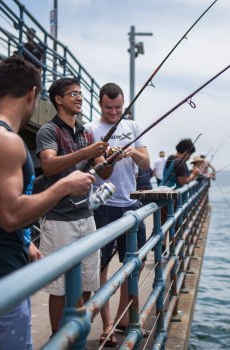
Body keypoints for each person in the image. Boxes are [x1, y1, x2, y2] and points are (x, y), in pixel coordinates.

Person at [0, 57, 96, 350]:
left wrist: (24, 242)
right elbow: (9, 215)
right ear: (33, 94)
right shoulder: (6, 141)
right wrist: (62, 187)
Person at [35, 77, 112, 336]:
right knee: (59, 287)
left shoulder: (86, 132)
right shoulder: (48, 131)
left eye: (80, 94)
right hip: (58, 219)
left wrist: (112, 157)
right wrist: (86, 152)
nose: (79, 98)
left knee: (88, 281)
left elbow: (105, 172)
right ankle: (59, 337)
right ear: (58, 99)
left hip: (86, 215)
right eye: (73, 94)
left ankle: (75, 334)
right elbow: (48, 165)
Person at [84, 82, 150, 347]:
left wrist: (130, 151)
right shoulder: (90, 130)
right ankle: (107, 325)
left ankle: (124, 317)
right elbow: (100, 171)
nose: (114, 112)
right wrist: (109, 157)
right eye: (109, 107)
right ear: (100, 104)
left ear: (124, 105)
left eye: (118, 107)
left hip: (130, 205)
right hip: (104, 206)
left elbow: (144, 162)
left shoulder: (132, 127)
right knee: (100, 267)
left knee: (136, 261)